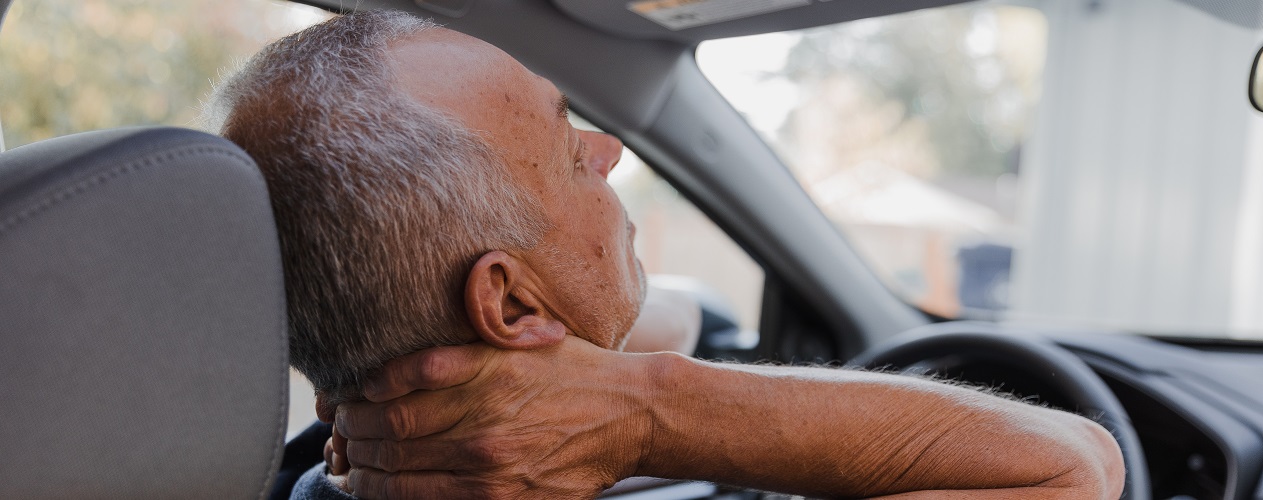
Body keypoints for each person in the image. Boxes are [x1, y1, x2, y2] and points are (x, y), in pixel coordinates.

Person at [207, 11, 1125, 500]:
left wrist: (615, 360)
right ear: (511, 308)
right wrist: (649, 411)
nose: (608, 149)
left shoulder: (304, 468)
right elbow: (1071, 469)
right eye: (570, 148)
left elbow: (679, 311)